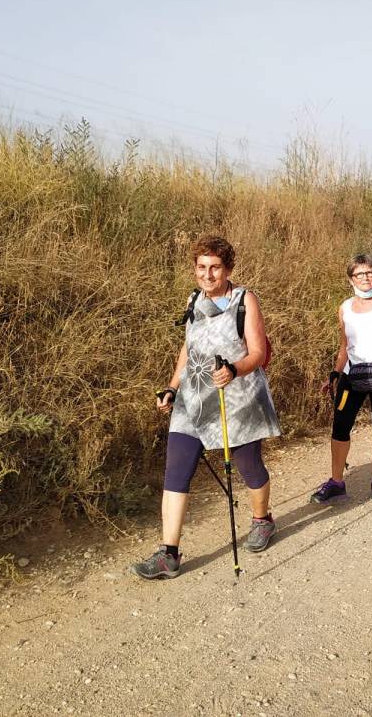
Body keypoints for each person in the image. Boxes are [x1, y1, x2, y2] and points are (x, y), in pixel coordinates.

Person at [132, 235, 282, 579]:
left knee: (249, 466)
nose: (208, 274)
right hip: (193, 398)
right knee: (177, 469)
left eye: (215, 267)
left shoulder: (245, 300)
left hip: (238, 397)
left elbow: (257, 353)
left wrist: (233, 369)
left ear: (228, 268)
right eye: (201, 267)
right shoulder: (193, 300)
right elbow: (188, 350)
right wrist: (171, 386)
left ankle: (262, 519)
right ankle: (168, 553)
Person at [311, 254, 372, 505]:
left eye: (370, 273)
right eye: (360, 274)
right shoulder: (344, 308)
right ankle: (336, 481)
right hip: (352, 375)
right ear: (350, 278)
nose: (365, 278)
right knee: (340, 427)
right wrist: (334, 372)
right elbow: (345, 345)